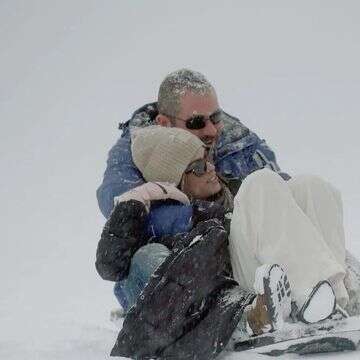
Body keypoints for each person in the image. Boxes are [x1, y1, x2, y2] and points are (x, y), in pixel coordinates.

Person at [96, 126, 346, 359]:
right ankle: (311, 298)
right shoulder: (164, 219)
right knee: (260, 183)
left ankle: (337, 295)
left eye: (208, 159)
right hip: (241, 283)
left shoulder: (231, 190)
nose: (211, 168)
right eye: (199, 167)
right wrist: (135, 201)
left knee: (309, 186)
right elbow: (111, 264)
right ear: (175, 180)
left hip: (275, 271)